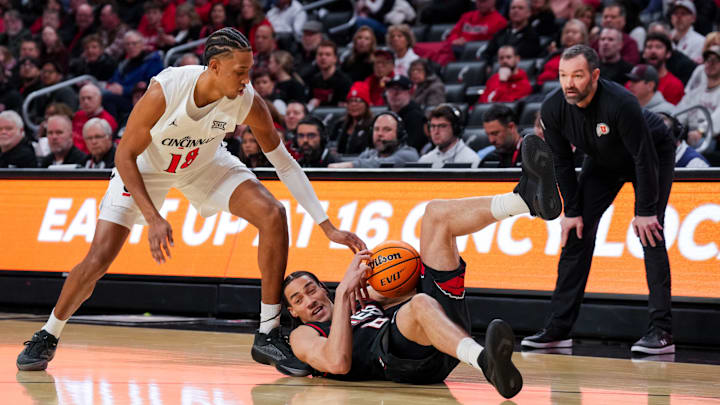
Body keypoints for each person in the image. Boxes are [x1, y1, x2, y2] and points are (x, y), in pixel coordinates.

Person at [16, 28, 365, 376]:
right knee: (98, 259)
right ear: (213, 67)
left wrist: (326, 225)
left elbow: (284, 162)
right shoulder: (166, 90)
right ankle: (48, 333)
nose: (247, 79)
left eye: (250, 70)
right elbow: (124, 155)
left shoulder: (246, 99)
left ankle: (268, 332)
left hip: (203, 162)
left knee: (273, 214)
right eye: (239, 71)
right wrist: (153, 218)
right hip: (145, 168)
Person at [285, 133, 564, 398]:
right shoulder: (305, 335)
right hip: (405, 363)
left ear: (323, 289)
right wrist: (345, 290)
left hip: (440, 330)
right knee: (419, 305)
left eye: (310, 290)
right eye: (298, 299)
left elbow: (410, 281)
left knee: (435, 215)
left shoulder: (364, 297)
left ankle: (524, 201)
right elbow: (337, 363)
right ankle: (484, 361)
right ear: (293, 312)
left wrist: (398, 267)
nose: (308, 301)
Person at [522, 45, 676, 355]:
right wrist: (572, 210)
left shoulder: (622, 102)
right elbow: (562, 162)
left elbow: (643, 157)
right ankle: (558, 329)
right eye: (564, 75)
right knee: (576, 233)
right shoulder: (553, 109)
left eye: (577, 75)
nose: (569, 83)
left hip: (650, 154)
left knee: (650, 234)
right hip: (603, 161)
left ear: (594, 75)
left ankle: (661, 332)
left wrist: (645, 211)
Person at [329, 111, 419, 168]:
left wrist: (351, 165)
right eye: (376, 129)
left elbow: (385, 165)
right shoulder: (369, 154)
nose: (379, 134)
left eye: (386, 129)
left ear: (399, 134)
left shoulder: (408, 154)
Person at [480, 0, 542, 66]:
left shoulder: (532, 36)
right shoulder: (501, 33)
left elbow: (524, 58)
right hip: (495, 70)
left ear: (529, 13)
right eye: (513, 8)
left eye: (520, 8)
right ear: (509, 12)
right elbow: (487, 53)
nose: (516, 10)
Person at [537, 19, 588, 86]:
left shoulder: (584, 57)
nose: (569, 35)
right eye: (567, 32)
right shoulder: (555, 54)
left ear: (582, 37)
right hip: (539, 87)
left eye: (574, 32)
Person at [72, 83, 119, 154]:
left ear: (99, 99)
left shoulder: (108, 120)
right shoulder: (78, 115)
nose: (86, 102)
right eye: (82, 99)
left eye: (89, 98)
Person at [384, 75, 426, 153]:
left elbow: (412, 146)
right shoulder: (386, 115)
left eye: (399, 90)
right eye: (391, 89)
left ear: (409, 92)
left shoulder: (415, 116)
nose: (394, 94)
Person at [640, 33, 684, 105]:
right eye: (649, 47)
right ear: (643, 54)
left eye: (658, 47)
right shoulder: (634, 82)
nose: (653, 51)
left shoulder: (674, 85)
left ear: (668, 54)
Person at [331, 81, 373, 155]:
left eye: (358, 101)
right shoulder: (340, 124)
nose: (353, 104)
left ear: (366, 105)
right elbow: (331, 144)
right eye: (350, 101)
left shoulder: (372, 126)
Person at [308, 40, 352, 109]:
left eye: (328, 54)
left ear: (335, 58)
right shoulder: (314, 80)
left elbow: (343, 107)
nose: (323, 57)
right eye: (320, 54)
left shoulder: (344, 81)